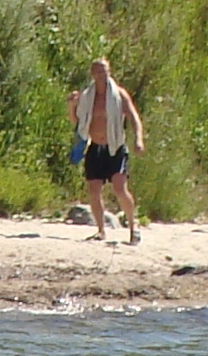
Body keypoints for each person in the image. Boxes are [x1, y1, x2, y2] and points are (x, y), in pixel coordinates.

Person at [71, 59, 146, 246]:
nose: (101, 75)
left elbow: (134, 117)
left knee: (120, 188)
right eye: (97, 72)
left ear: (109, 72)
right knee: (94, 190)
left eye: (104, 71)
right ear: (92, 74)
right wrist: (71, 106)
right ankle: (100, 231)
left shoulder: (119, 94)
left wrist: (138, 139)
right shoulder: (87, 96)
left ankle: (133, 226)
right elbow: (77, 122)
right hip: (95, 146)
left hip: (116, 147)